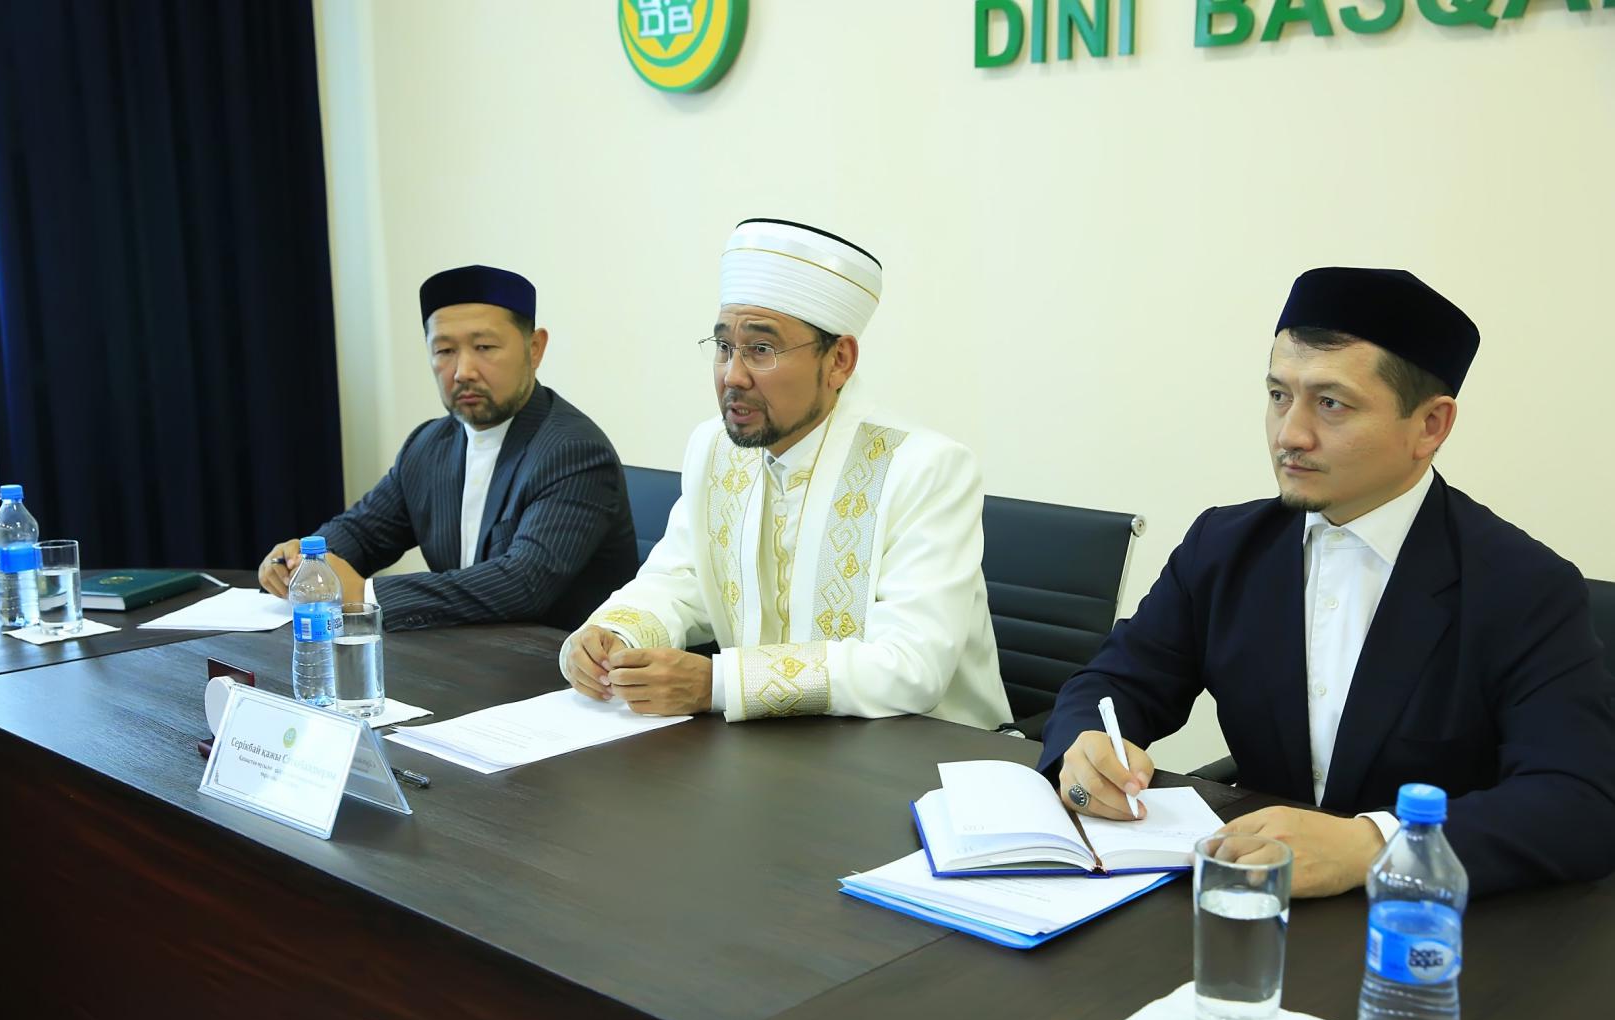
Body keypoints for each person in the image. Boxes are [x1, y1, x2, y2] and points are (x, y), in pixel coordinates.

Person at [1040, 267, 1615, 897]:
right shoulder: (1225, 545)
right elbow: (1115, 681)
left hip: (1427, 925)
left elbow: (1580, 801)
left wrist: (1376, 845)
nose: (1290, 434)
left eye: (1331, 403)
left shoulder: (1524, 586)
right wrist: (1085, 749)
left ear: (1430, 425)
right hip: (1250, 900)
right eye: (1279, 395)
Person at [560, 218, 1011, 729]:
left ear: (839, 361)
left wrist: (716, 683)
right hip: (770, 741)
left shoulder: (924, 467)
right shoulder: (715, 447)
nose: (733, 375)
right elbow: (680, 579)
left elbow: (912, 666)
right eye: (724, 347)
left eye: (761, 350)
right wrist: (613, 635)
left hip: (926, 753)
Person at [258, 264, 637, 631]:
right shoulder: (428, 445)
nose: (463, 371)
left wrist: (364, 594)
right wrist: (303, 561)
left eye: (485, 347)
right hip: (463, 653)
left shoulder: (574, 451)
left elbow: (523, 583)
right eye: (444, 351)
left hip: (555, 664)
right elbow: (363, 534)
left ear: (534, 348)